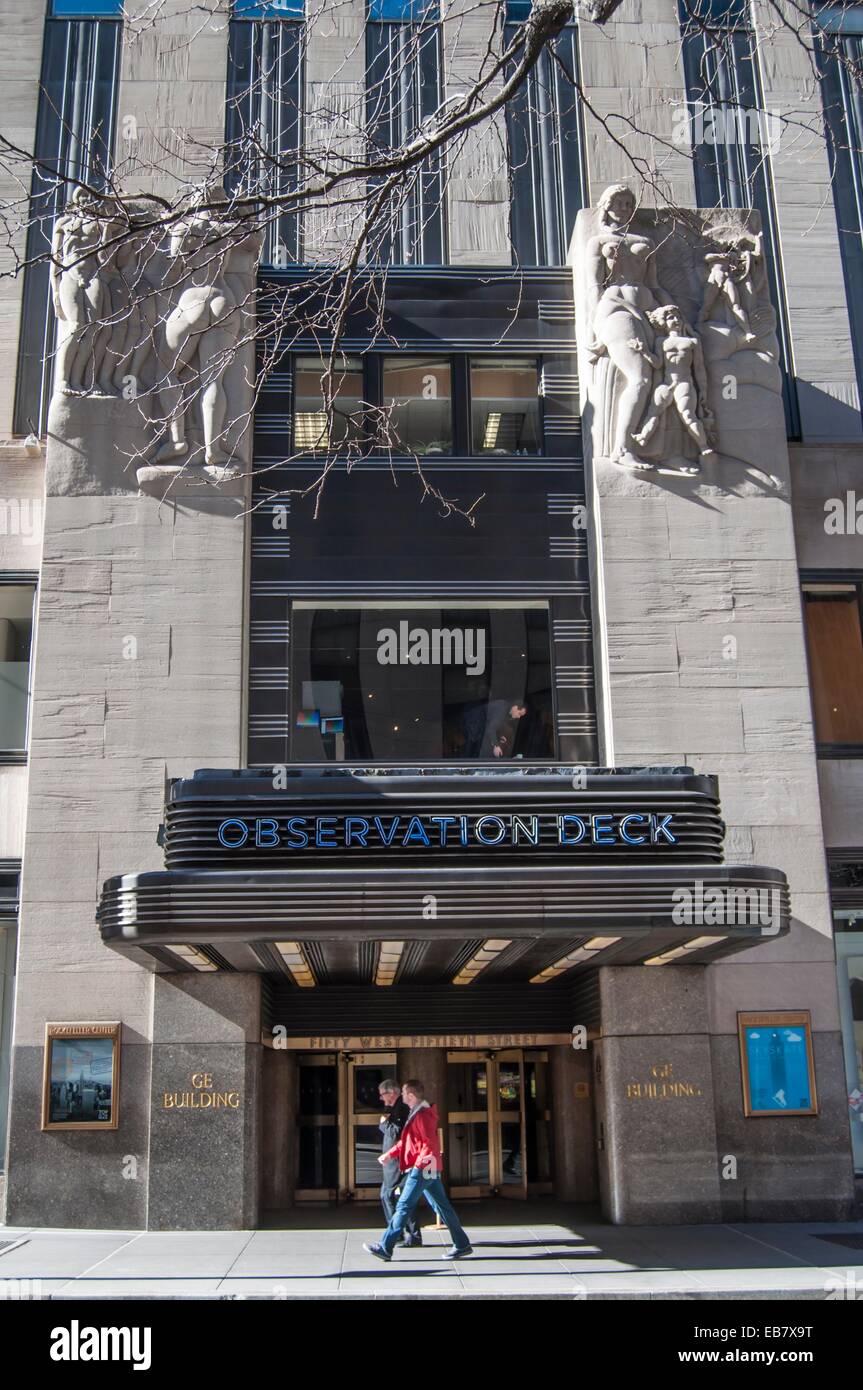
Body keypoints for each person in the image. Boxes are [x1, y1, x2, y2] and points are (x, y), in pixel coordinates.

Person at [363, 1079, 473, 1262]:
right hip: (428, 1168)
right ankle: (462, 1244)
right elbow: (410, 1142)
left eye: (405, 1093)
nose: (403, 1096)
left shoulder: (422, 1115)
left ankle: (385, 1247)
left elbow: (428, 1144)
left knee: (404, 1205)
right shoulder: (417, 1113)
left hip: (423, 1168)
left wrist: (419, 1166)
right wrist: (390, 1155)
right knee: (442, 1206)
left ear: (411, 1096)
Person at [378, 1078, 422, 1247]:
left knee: (391, 1196)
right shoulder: (394, 1108)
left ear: (392, 1093)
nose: (382, 1098)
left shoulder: (401, 1109)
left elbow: (397, 1133)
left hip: (398, 1162)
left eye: (383, 1095)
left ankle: (398, 1233)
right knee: (401, 1197)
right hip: (396, 1161)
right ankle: (409, 1234)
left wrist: (383, 1124)